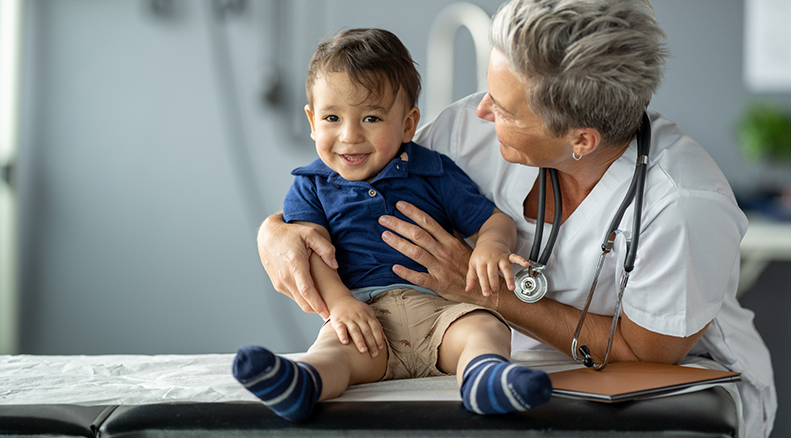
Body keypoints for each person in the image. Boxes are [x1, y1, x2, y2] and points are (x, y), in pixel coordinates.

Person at [257, 0, 777, 436]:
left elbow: (644, 355)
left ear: (581, 138)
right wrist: (274, 233)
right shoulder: (466, 131)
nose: (481, 110)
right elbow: (349, 194)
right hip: (507, 376)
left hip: (666, 390)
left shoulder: (682, 205)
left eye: (504, 109)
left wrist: (488, 293)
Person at [233, 28, 552, 422]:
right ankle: (302, 384)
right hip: (364, 316)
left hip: (442, 311)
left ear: (407, 124)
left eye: (371, 117)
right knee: (334, 354)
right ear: (312, 121)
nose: (350, 136)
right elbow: (310, 252)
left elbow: (494, 220)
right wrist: (340, 304)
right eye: (332, 118)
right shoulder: (311, 185)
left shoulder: (432, 171)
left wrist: (490, 247)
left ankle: (485, 380)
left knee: (484, 329)